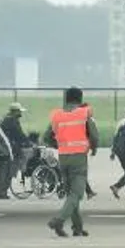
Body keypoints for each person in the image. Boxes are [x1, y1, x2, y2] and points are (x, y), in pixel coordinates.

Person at [44, 87, 101, 237]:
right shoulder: (83, 113)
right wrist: (93, 148)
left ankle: (77, 228)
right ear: (80, 99)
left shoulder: (57, 116)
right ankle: (59, 220)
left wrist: (60, 145)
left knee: (71, 194)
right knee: (77, 193)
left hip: (63, 157)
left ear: (66, 99)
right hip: (79, 158)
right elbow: (94, 136)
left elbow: (46, 137)